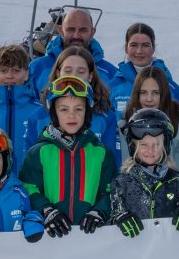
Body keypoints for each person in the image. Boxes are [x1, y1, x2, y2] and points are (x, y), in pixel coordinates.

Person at [21, 75, 119, 236]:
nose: (71, 115)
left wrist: (99, 211)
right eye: (64, 109)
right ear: (54, 113)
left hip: (91, 237)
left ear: (87, 112)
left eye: (78, 109)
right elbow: (28, 188)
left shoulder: (101, 153)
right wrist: (47, 211)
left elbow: (111, 190)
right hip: (51, 239)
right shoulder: (38, 152)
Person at [110, 108, 179, 236]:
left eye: (156, 144)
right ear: (133, 146)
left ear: (166, 146)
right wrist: (120, 217)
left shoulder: (176, 179)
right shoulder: (122, 182)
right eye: (144, 145)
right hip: (136, 249)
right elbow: (114, 213)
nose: (150, 150)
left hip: (169, 246)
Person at [44, 44, 122, 159]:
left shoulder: (105, 118)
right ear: (57, 73)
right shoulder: (38, 116)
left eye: (81, 72)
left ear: (90, 76)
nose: (74, 76)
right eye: (68, 70)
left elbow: (113, 163)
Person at [27, 7, 117, 97]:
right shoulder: (37, 68)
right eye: (71, 29)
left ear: (92, 32)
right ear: (61, 31)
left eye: (83, 30)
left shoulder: (110, 73)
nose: (76, 36)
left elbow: (115, 108)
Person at [122, 66, 179, 172]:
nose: (149, 99)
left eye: (155, 93)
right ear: (136, 95)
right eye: (143, 92)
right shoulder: (124, 126)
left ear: (164, 94)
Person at [110, 22, 179, 115]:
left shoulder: (171, 88)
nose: (139, 51)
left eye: (145, 45)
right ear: (126, 48)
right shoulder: (112, 87)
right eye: (134, 45)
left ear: (153, 48)